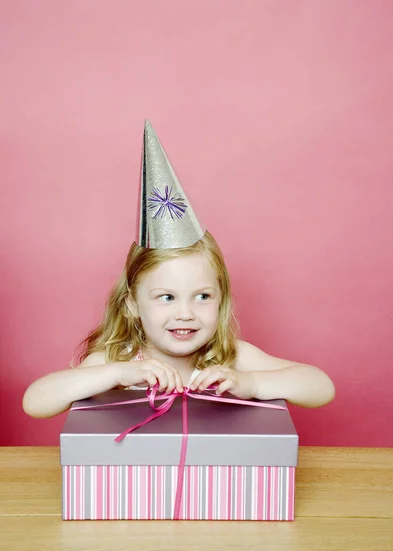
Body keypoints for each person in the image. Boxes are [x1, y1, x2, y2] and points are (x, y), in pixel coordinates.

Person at [23, 122, 335, 419]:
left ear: (221, 298)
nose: (185, 313)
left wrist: (252, 383)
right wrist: (117, 374)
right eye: (167, 297)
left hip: (213, 474)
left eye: (202, 296)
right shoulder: (118, 360)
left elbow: (321, 387)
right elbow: (35, 402)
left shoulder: (230, 357)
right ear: (132, 303)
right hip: (138, 474)